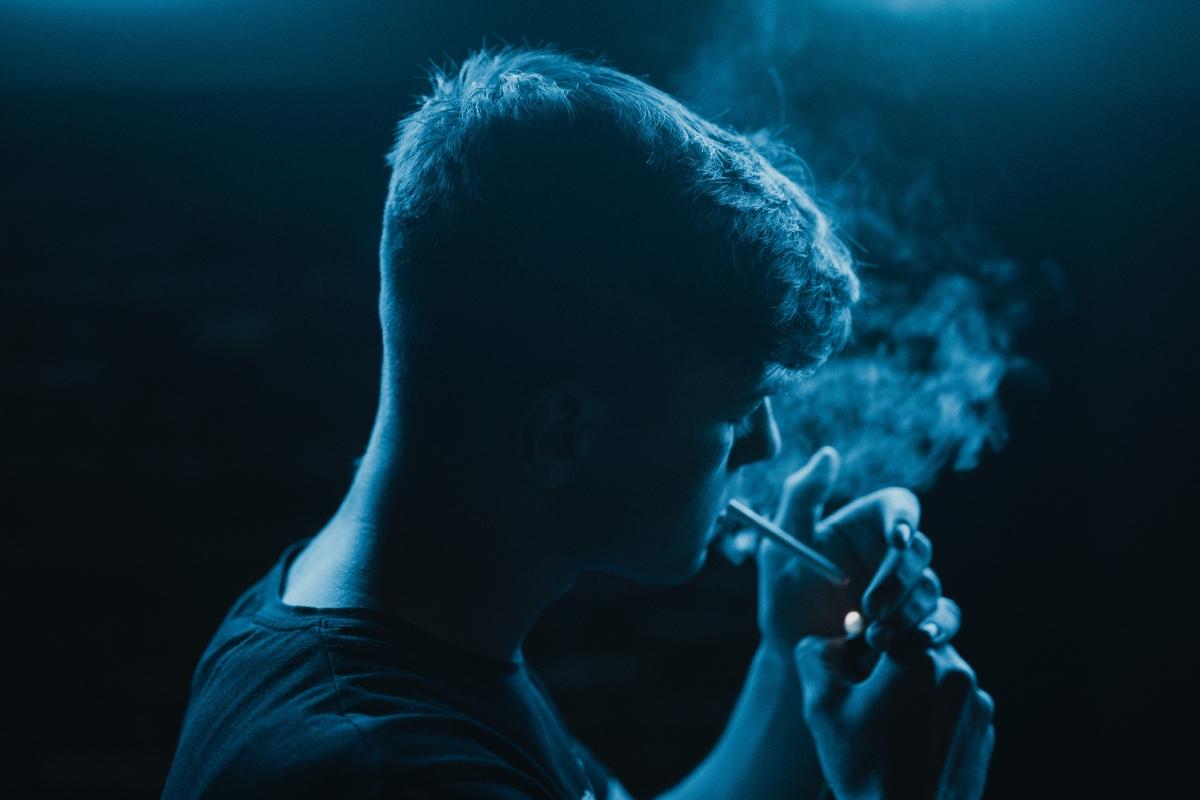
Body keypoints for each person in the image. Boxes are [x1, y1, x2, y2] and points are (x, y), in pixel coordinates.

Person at [163, 47, 994, 799]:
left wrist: (790, 657)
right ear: (561, 433)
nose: (766, 445)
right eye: (737, 412)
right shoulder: (372, 771)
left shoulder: (391, 628)